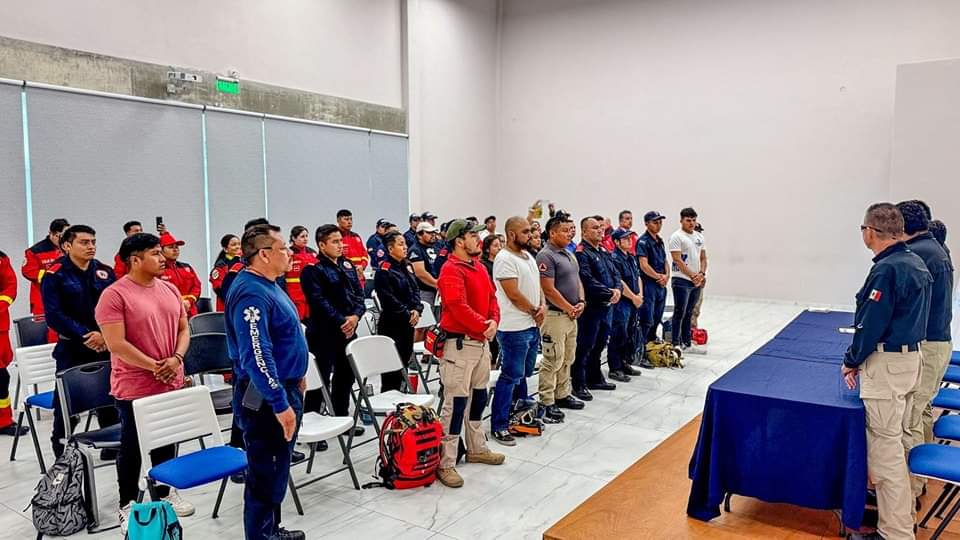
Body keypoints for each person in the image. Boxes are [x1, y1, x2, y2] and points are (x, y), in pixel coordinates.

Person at [842, 203, 931, 540]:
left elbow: (871, 324)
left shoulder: (887, 270)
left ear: (870, 232)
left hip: (888, 366)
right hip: (910, 361)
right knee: (897, 443)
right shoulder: (914, 262)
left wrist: (852, 360)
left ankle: (895, 533)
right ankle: (902, 521)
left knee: (885, 451)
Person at [96, 233, 194, 533]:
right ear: (135, 260)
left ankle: (164, 494)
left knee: (167, 440)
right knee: (133, 447)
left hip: (170, 378)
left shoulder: (169, 288)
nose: (163, 258)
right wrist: (155, 366)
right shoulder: (114, 295)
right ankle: (127, 504)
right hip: (135, 384)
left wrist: (176, 359)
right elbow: (116, 344)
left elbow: (184, 329)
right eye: (155, 253)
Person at [224, 223, 307, 540]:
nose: (289, 253)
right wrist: (279, 403)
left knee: (276, 471)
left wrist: (298, 374)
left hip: (285, 387)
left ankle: (272, 531)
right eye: (283, 248)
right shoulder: (251, 292)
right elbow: (256, 355)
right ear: (263, 254)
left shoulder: (269, 284)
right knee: (264, 475)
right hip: (264, 399)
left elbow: (284, 336)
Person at [435, 219, 505, 488]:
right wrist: (483, 325)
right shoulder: (450, 270)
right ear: (459, 241)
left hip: (481, 343)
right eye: (473, 235)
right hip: (460, 345)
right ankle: (446, 462)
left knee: (478, 398)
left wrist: (493, 321)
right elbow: (457, 306)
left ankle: (476, 448)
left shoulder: (479, 267)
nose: (479, 239)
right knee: (455, 405)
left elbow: (492, 299)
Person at [42, 225, 119, 458]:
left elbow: (116, 306)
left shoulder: (104, 271)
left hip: (104, 345)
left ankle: (111, 450)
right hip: (73, 348)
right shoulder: (55, 275)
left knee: (110, 399)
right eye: (84, 242)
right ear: (67, 246)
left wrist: (104, 335)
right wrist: (87, 335)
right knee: (67, 406)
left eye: (93, 242)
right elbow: (54, 315)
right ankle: (62, 455)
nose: (91, 246)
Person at [896, 201, 954, 502]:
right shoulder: (935, 249)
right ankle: (924, 473)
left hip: (928, 346)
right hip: (939, 342)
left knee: (911, 417)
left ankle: (911, 490)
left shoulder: (918, 254)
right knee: (923, 410)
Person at [301, 225, 366, 425]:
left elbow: (359, 295)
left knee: (345, 377)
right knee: (319, 381)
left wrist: (355, 317)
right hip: (324, 333)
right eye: (335, 242)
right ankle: (312, 423)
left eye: (341, 241)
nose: (340, 245)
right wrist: (342, 321)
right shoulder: (312, 270)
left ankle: (341, 419)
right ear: (322, 245)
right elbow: (319, 301)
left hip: (348, 331)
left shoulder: (347, 265)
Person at [490, 217, 546, 445]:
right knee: (510, 376)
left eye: (530, 231)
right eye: (525, 232)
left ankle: (519, 417)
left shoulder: (527, 255)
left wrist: (542, 306)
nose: (530, 235)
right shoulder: (504, 259)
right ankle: (499, 424)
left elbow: (538, 285)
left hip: (531, 325)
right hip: (513, 328)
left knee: (523, 374)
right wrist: (534, 310)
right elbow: (513, 294)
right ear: (512, 234)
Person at [537, 213, 586, 413]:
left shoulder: (568, 253)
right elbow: (548, 289)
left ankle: (562, 394)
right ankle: (547, 400)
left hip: (571, 315)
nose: (569, 234)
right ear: (552, 233)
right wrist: (568, 307)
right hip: (555, 316)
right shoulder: (546, 255)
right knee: (552, 360)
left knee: (567, 358)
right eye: (564, 231)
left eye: (570, 230)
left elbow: (578, 280)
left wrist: (581, 302)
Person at [572, 216, 622, 400]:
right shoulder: (582, 253)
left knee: (600, 344)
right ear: (584, 231)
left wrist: (617, 289)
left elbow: (615, 274)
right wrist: (609, 293)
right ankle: (578, 383)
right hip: (591, 308)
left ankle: (594, 378)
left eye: (601, 227)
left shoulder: (603, 251)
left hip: (606, 307)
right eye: (595, 228)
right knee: (584, 346)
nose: (600, 230)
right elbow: (586, 279)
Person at [373, 232, 423, 392]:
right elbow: (387, 298)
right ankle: (390, 400)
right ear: (390, 248)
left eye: (405, 244)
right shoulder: (384, 270)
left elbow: (415, 289)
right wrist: (407, 313)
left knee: (404, 363)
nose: (405, 247)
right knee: (391, 371)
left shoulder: (407, 266)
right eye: (401, 244)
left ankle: (403, 399)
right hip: (392, 324)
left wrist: (417, 309)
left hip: (408, 323)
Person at [608, 229, 643, 381]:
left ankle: (624, 363)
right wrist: (633, 297)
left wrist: (640, 295)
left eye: (630, 238)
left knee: (629, 333)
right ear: (616, 242)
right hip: (622, 302)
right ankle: (615, 368)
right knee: (619, 334)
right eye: (625, 238)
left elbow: (638, 276)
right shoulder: (615, 258)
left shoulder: (631, 257)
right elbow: (619, 281)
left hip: (633, 300)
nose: (629, 240)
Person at [669, 208, 706, 350]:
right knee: (680, 312)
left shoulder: (699, 237)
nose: (691, 223)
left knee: (689, 312)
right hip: (681, 279)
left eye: (693, 220)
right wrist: (692, 275)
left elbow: (703, 258)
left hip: (696, 281)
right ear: (681, 221)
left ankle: (687, 342)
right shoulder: (676, 237)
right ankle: (676, 343)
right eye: (688, 220)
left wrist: (701, 274)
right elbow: (677, 260)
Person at [0, 249, 28, 436]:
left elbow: (10, 286)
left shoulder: (1, 259)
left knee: (2, 375)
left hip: (0, 326)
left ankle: (4, 421)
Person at [22, 218, 69, 319]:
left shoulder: (69, 248)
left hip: (67, 300)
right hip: (43, 301)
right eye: (62, 236)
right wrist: (52, 275)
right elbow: (28, 271)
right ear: (52, 234)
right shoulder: (35, 251)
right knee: (44, 328)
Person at [158, 232, 202, 318]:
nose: (175, 250)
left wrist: (189, 301)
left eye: (177, 247)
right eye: (170, 247)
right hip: (168, 313)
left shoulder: (186, 267)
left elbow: (197, 286)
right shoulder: (158, 269)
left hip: (190, 311)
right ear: (161, 250)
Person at [285, 226, 318, 321]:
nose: (305, 239)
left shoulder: (312, 253)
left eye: (306, 236)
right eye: (302, 236)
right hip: (294, 295)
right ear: (294, 238)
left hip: (310, 295)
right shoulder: (288, 254)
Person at [406, 222, 441, 307]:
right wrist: (437, 284)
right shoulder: (415, 250)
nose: (433, 235)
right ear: (419, 235)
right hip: (425, 291)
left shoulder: (437, 247)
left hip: (438, 289)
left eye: (433, 232)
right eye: (429, 233)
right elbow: (420, 273)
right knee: (427, 313)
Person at [337, 210, 370, 287]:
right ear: (338, 221)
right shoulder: (336, 237)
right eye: (346, 219)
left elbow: (364, 253)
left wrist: (362, 266)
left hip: (359, 276)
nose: (349, 222)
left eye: (351, 219)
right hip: (344, 277)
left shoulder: (356, 236)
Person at [210, 234, 242, 311]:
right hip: (227, 307)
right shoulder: (220, 266)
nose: (238, 247)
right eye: (234, 245)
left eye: (239, 244)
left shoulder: (245, 262)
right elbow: (220, 290)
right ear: (225, 249)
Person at [690, 222, 707, 328]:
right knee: (687, 308)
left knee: (696, 308)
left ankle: (693, 329)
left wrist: (702, 274)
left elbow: (703, 260)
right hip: (688, 280)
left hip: (699, 280)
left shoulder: (700, 245)